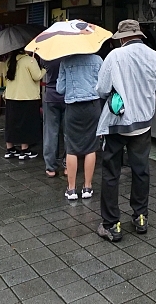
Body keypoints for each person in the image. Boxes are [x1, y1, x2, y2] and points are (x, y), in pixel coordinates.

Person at [95, 20, 156, 242]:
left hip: (117, 123)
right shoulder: (154, 56)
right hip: (143, 123)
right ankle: (140, 216)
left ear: (122, 38)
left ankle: (111, 224)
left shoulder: (114, 56)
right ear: (139, 35)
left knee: (111, 173)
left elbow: (102, 89)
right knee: (141, 170)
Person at [57, 52, 102, 201]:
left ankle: (71, 189)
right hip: (93, 106)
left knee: (71, 147)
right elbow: (103, 85)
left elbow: (60, 89)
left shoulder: (65, 62)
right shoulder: (97, 60)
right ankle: (87, 187)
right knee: (91, 146)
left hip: (73, 107)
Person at [3, 48, 45, 161]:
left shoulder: (8, 61)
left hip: (11, 96)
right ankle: (24, 150)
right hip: (27, 97)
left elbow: (5, 78)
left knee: (11, 124)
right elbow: (37, 76)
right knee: (26, 124)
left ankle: (10, 149)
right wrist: (45, 69)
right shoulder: (29, 60)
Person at [41, 58, 65, 178]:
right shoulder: (69, 55)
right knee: (68, 132)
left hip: (50, 96)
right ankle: (67, 164)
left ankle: (50, 166)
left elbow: (42, 66)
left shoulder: (46, 56)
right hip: (67, 96)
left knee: (50, 132)